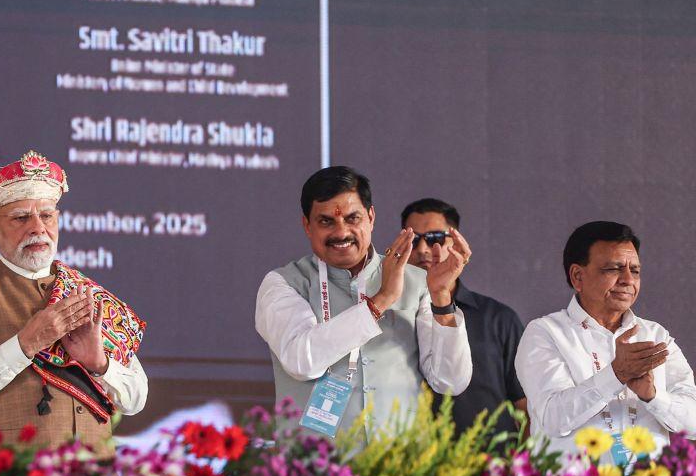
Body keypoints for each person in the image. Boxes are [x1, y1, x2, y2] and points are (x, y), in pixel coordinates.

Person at [0, 151, 147, 456]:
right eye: (21, 218)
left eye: (46, 216)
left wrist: (100, 364)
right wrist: (23, 346)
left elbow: (136, 399)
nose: (37, 228)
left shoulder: (85, 292)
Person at [254, 167, 473, 438]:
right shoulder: (284, 283)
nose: (341, 232)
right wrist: (380, 301)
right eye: (326, 222)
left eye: (352, 218)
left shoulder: (417, 283)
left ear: (371, 218)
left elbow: (450, 381)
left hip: (397, 467)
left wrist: (442, 298)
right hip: (317, 468)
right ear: (307, 226)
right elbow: (302, 360)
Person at [516, 221, 696, 457]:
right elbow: (553, 418)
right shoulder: (545, 333)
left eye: (635, 270)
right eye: (613, 269)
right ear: (577, 276)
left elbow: (692, 423)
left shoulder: (655, 336)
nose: (628, 280)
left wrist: (653, 396)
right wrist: (616, 375)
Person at [402, 198, 527, 437]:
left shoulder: (498, 319)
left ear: (456, 242)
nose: (422, 250)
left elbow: (525, 406)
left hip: (489, 464)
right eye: (413, 240)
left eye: (435, 238)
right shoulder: (389, 315)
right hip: (410, 466)